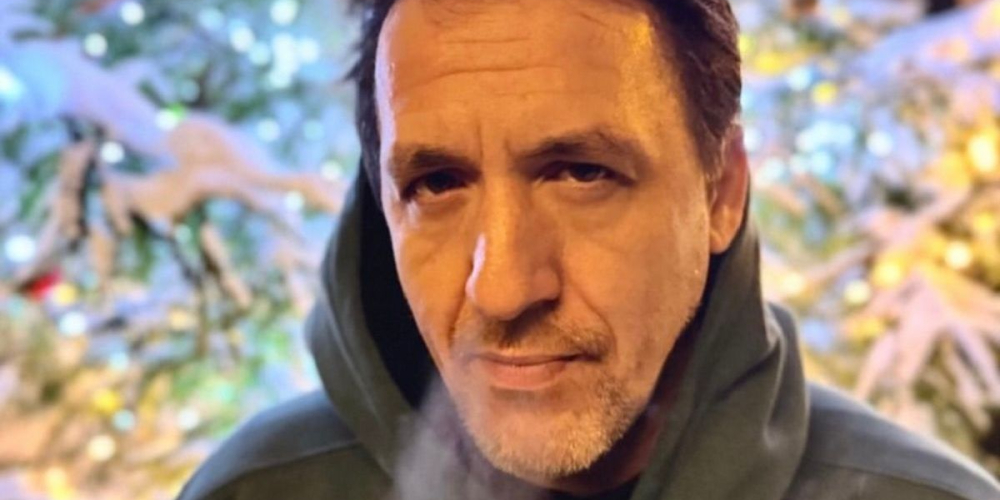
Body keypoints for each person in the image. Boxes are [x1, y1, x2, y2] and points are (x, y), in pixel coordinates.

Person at [177, 0, 1000, 499]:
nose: (503, 287)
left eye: (581, 173)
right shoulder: (256, 491)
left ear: (720, 192)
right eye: (437, 184)